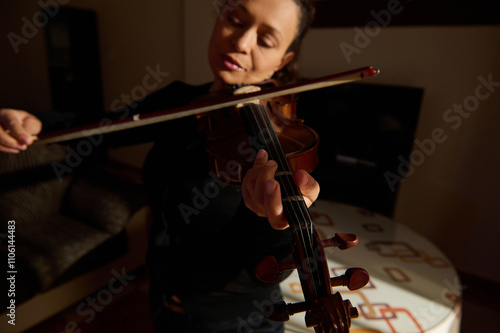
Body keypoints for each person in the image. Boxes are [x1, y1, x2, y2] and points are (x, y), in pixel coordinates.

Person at [0, 0, 318, 331]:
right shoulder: (179, 100)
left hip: (235, 322)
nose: (240, 43)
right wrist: (38, 124)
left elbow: (268, 270)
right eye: (235, 20)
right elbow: (106, 126)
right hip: (163, 303)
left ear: (283, 61)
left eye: (266, 41)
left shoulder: (283, 140)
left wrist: (279, 227)